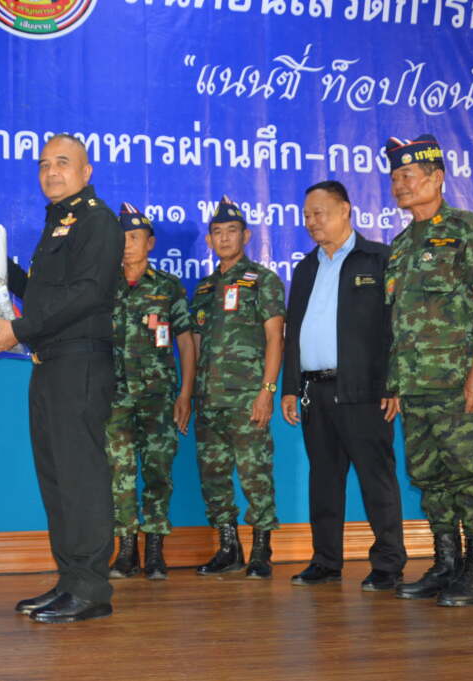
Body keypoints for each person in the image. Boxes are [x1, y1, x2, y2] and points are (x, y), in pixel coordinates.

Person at [0, 134, 123, 623]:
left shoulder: (97, 221)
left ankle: (92, 589)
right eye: (43, 164)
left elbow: (87, 293)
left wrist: (18, 330)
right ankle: (70, 580)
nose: (51, 171)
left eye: (62, 162)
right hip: (50, 363)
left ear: (86, 171)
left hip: (80, 362)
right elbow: (41, 292)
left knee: (80, 476)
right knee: (57, 478)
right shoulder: (58, 222)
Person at [383, 134, 473, 607]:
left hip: (457, 381)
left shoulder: (467, 228)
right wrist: (394, 383)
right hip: (414, 386)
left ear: (436, 178)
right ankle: (446, 564)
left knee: (466, 474)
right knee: (428, 476)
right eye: (394, 177)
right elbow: (397, 323)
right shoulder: (400, 245)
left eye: (407, 175)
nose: (399, 185)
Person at [281, 180, 407, 591]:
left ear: (345, 210)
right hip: (314, 390)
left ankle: (388, 563)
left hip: (365, 389)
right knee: (324, 480)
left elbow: (396, 327)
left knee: (376, 479)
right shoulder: (305, 268)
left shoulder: (378, 259)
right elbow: (293, 332)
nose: (311, 222)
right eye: (306, 216)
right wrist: (290, 386)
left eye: (319, 213)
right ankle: (325, 561)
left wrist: (393, 384)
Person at [190, 196, 285, 579]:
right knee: (213, 477)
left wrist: (267, 391)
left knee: (255, 473)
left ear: (246, 236)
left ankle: (262, 550)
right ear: (210, 240)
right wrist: (191, 394)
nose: (225, 238)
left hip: (248, 397)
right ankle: (229, 548)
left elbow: (275, 338)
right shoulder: (203, 288)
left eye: (232, 231)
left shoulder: (262, 280)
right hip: (208, 399)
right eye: (218, 232)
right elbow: (196, 344)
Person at [106, 203, 196, 581]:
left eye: (134, 237)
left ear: (150, 243)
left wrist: (185, 394)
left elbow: (186, 341)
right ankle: (126, 549)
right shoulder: (103, 285)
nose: (127, 244)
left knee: (159, 471)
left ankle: (155, 549)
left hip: (158, 396)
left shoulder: (168, 287)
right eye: (121, 238)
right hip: (114, 396)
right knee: (120, 473)